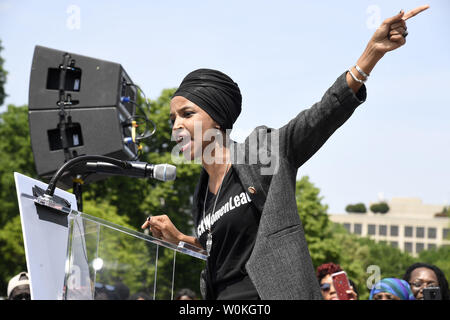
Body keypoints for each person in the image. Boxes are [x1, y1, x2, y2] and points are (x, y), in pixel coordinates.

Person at [141, 6, 430, 300]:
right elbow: (226, 255)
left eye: (187, 114)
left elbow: (322, 114)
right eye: (172, 119)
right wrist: (180, 240)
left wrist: (372, 52)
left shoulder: (262, 155)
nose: (177, 125)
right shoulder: (202, 195)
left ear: (217, 118)